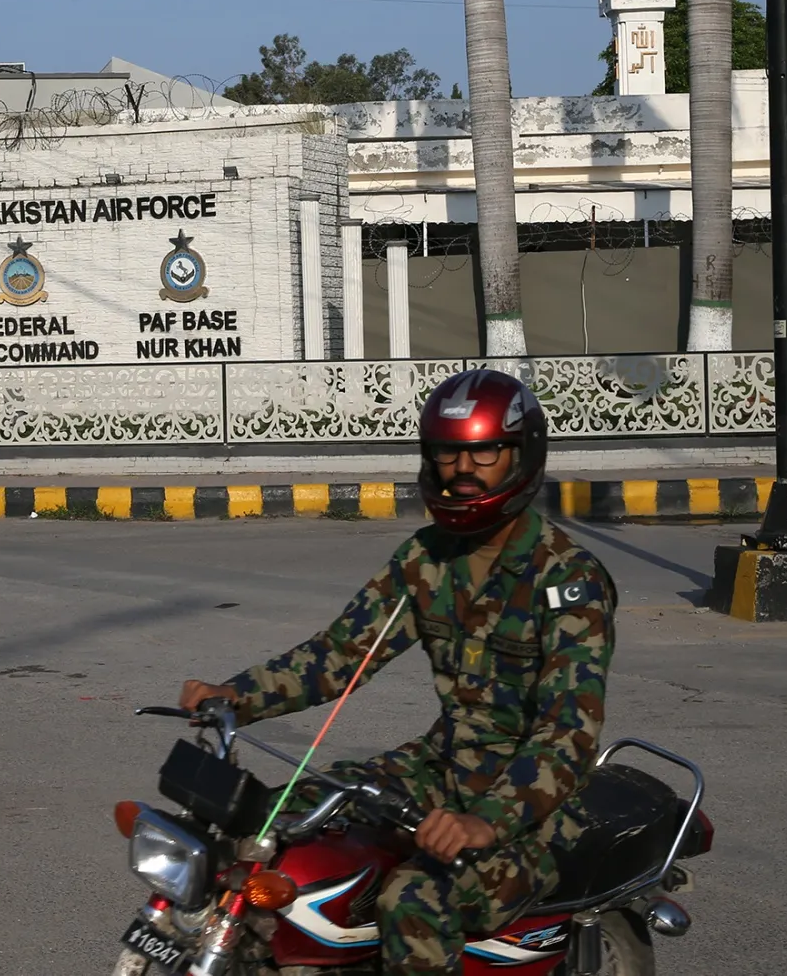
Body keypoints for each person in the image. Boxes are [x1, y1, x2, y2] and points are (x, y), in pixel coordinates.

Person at [178, 368, 614, 976]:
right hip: (440, 768)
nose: (463, 468)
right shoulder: (425, 558)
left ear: (520, 456)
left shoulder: (567, 579)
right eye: (447, 452)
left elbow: (567, 734)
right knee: (282, 817)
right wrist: (236, 695)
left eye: (483, 450)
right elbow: (338, 656)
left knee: (412, 898)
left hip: (532, 808)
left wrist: (482, 823)